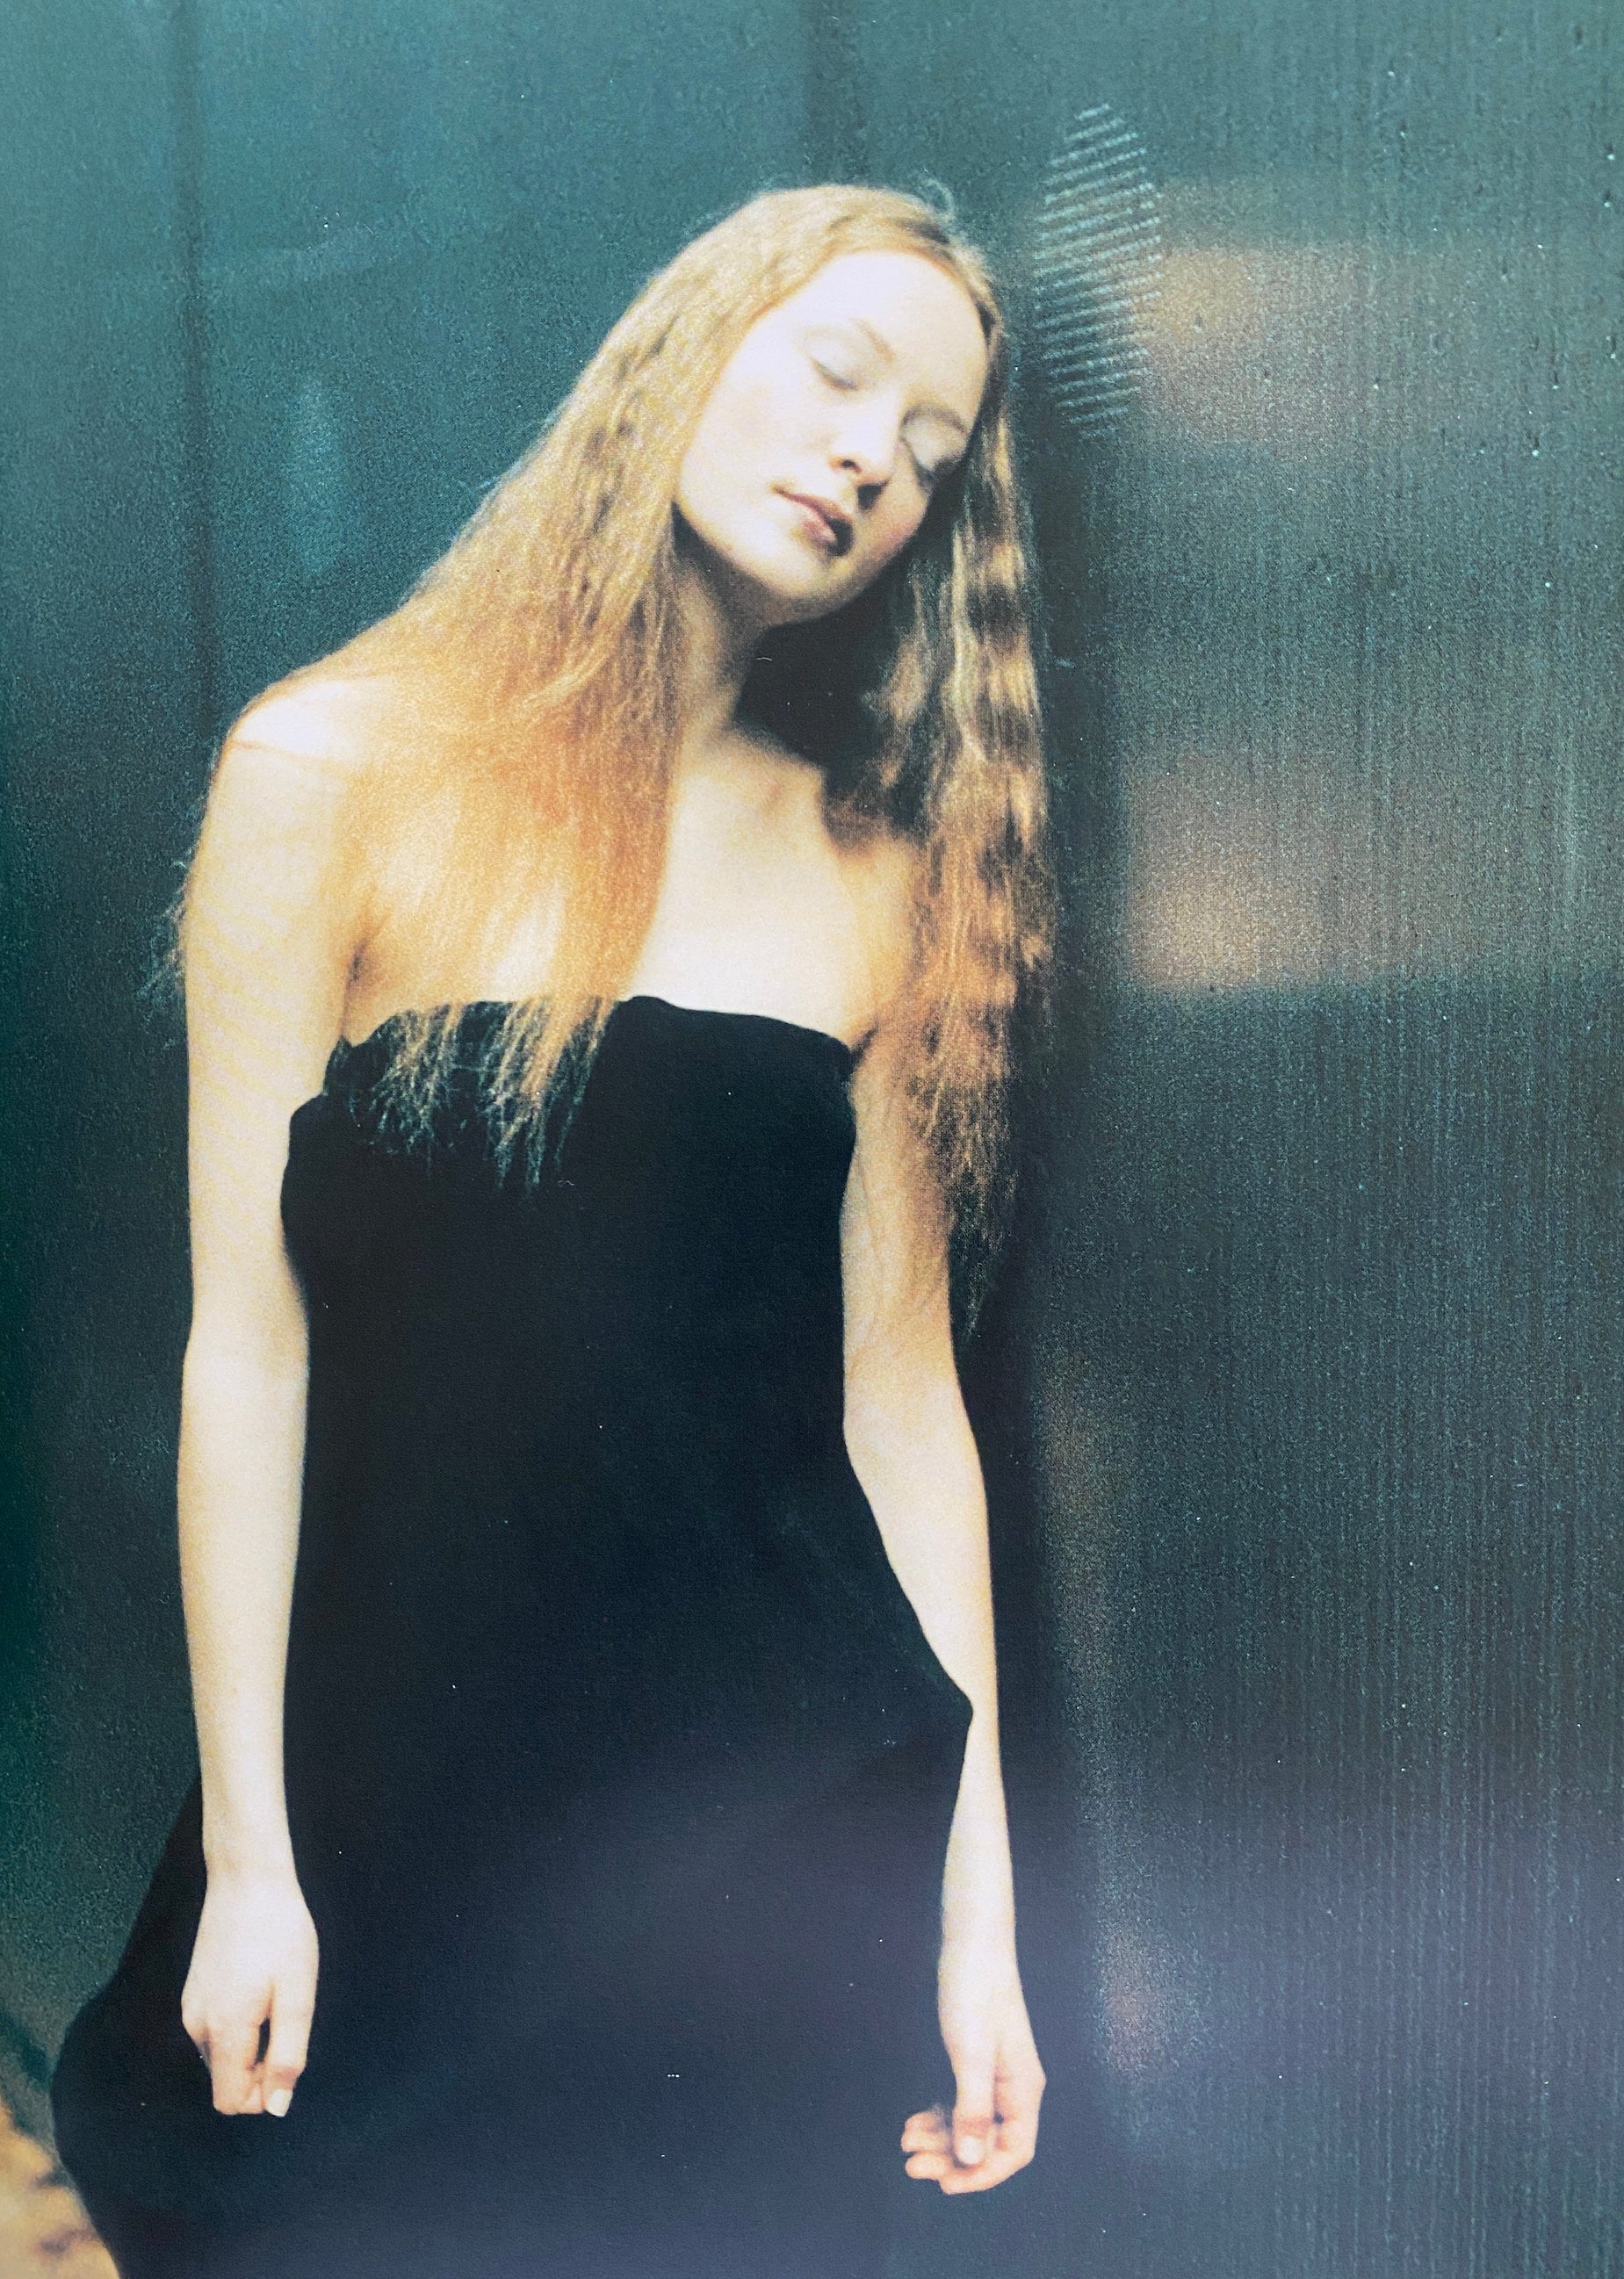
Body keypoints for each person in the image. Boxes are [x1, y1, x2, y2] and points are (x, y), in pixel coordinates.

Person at [51, 183, 1053, 2278]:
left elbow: (901, 1409)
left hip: (768, 1824)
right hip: (406, 1794)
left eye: (928, 452)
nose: (869, 457)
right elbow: (248, 1346)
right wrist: (250, 1854)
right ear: (683, 350)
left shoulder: (872, 873)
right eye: (836, 370)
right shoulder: (332, 769)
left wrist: (980, 1922)